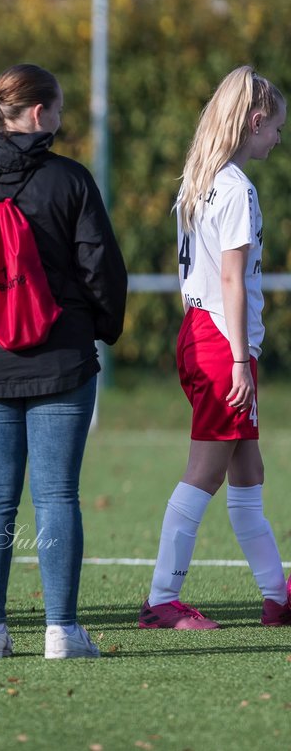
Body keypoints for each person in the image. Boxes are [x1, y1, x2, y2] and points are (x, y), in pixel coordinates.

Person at [0, 63, 127, 659]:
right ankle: (61, 631)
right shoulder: (70, 181)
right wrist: (100, 328)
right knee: (58, 495)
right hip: (62, 357)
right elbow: (102, 270)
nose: (60, 120)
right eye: (58, 110)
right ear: (39, 114)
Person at [139, 66, 291, 630]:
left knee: (248, 477)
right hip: (221, 343)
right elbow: (230, 279)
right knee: (204, 473)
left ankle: (277, 596)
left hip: (204, 333)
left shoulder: (198, 180)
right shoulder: (234, 187)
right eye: (276, 127)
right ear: (255, 121)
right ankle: (161, 602)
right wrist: (235, 361)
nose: (277, 138)